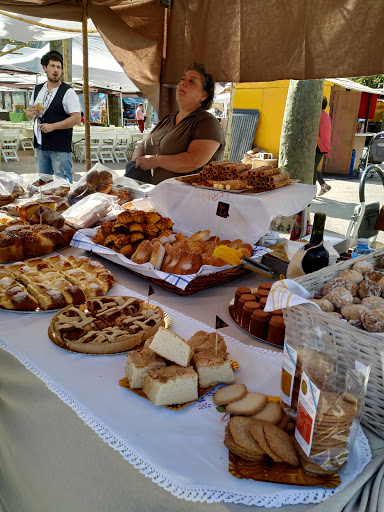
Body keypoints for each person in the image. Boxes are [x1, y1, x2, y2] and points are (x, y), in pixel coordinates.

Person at [129, 63, 225, 185]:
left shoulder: (207, 122)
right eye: (182, 79)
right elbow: (144, 144)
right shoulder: (168, 119)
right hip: (154, 194)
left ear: (204, 95)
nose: (183, 82)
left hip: (188, 198)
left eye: (192, 81)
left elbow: (193, 160)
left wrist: (157, 161)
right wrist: (133, 164)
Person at [26, 50, 81, 183]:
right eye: (52, 66)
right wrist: (31, 113)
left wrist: (53, 126)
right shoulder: (37, 89)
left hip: (60, 146)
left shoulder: (68, 91)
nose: (56, 70)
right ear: (45, 68)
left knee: (63, 184)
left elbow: (77, 118)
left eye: (59, 67)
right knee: (44, 183)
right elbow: (28, 115)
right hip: (40, 145)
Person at [314, 96, 332, 196]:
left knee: (312, 169)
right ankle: (323, 185)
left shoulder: (319, 116)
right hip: (324, 145)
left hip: (319, 145)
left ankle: (312, 192)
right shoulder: (325, 115)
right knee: (313, 167)